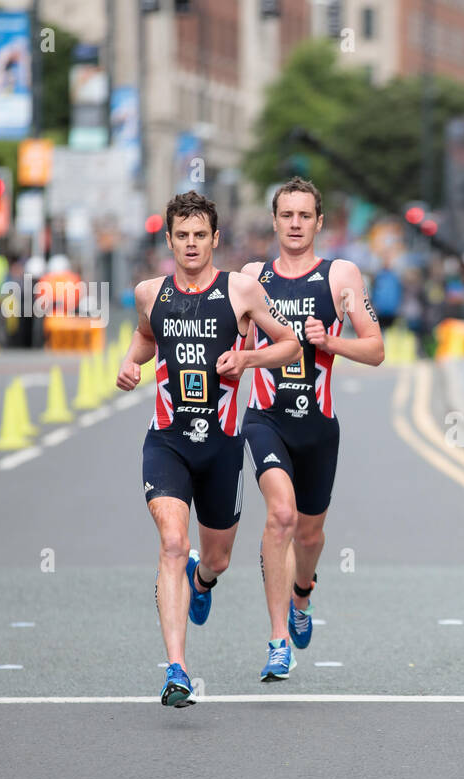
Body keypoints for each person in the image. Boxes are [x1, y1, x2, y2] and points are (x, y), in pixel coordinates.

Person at [117, 192, 302, 707]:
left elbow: (289, 344)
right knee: (172, 542)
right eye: (182, 236)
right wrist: (130, 363)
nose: (192, 244)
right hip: (167, 442)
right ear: (169, 240)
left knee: (217, 558)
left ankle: (202, 580)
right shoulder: (150, 293)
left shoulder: (241, 290)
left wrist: (248, 361)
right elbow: (145, 336)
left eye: (200, 235)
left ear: (215, 238)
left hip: (221, 448)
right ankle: (176, 670)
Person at [239, 178, 384, 682]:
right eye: (287, 215)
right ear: (274, 221)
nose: (295, 224)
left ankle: (303, 593)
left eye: (305, 216)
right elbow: (232, 341)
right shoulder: (252, 277)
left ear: (319, 222)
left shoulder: (341, 275)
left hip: (318, 427)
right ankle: (278, 641)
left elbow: (376, 349)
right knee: (280, 516)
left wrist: (331, 343)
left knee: (309, 533)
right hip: (265, 418)